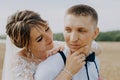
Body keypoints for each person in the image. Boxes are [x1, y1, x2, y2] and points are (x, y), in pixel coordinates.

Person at [35, 4, 101, 80]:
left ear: (95, 33)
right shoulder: (48, 68)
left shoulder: (95, 60)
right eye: (68, 30)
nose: (73, 39)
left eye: (81, 30)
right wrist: (68, 72)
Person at [2, 10, 65, 80]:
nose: (49, 38)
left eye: (47, 29)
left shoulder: (59, 46)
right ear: (27, 45)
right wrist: (68, 71)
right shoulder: (20, 64)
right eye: (40, 39)